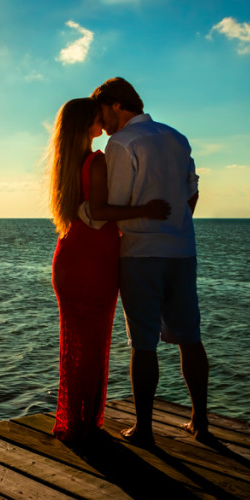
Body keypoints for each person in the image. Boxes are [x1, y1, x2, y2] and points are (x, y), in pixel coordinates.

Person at [91, 77, 210, 444]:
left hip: (141, 252)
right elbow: (192, 194)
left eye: (102, 114)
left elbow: (117, 205)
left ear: (115, 105)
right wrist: (176, 224)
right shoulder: (177, 137)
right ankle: (200, 422)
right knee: (190, 337)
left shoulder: (122, 143)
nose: (102, 126)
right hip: (181, 249)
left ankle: (144, 428)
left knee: (143, 343)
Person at [46, 98, 170, 444]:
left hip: (69, 259)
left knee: (75, 345)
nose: (103, 119)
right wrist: (145, 208)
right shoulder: (95, 160)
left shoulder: (65, 164)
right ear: (89, 121)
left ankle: (75, 420)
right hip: (94, 262)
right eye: (97, 115)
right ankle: (84, 423)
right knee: (93, 344)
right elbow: (100, 210)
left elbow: (88, 210)